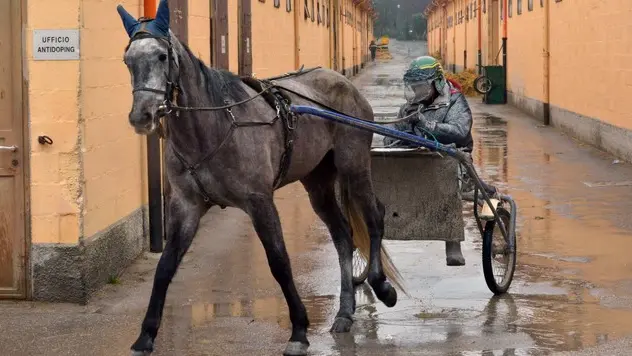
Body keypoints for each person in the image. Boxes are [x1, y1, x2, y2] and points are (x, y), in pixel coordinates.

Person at [384, 55, 474, 266]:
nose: (418, 93)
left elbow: (460, 132)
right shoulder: (410, 105)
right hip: (418, 157)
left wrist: (427, 124)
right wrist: (392, 136)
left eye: (422, 88)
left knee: (448, 176)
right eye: (414, 88)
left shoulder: (455, 100)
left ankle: (452, 241)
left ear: (437, 83)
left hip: (452, 156)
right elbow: (396, 131)